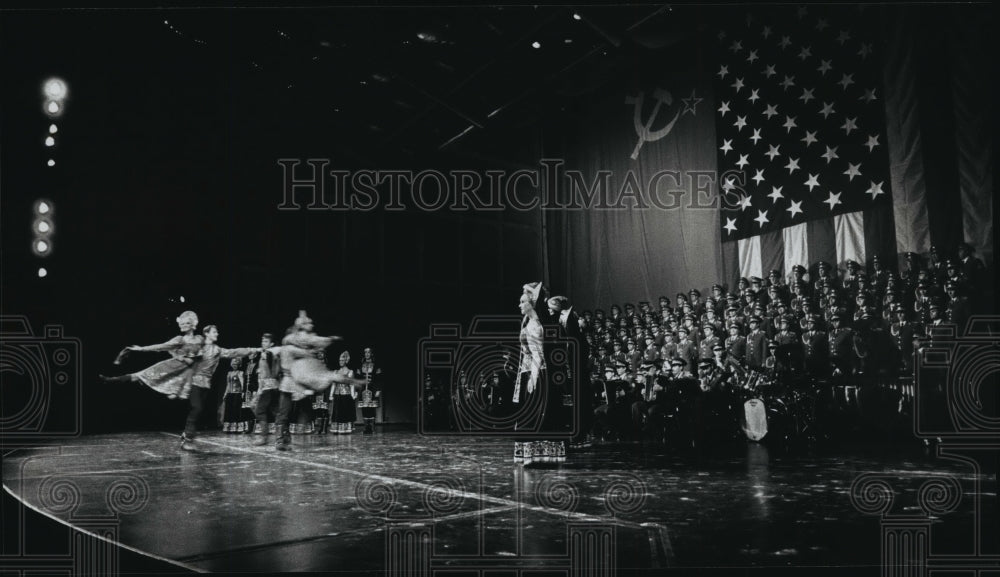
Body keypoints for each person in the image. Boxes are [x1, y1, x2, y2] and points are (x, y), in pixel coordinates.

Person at [274, 311, 367, 450]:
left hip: (299, 384)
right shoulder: (291, 348)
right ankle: (283, 439)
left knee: (301, 412)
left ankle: (291, 438)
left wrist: (327, 340)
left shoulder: (302, 354)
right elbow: (307, 343)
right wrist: (327, 341)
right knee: (286, 413)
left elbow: (313, 343)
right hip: (290, 383)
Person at [181, 325, 261, 450]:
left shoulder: (217, 349)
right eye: (214, 331)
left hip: (206, 384)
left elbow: (233, 352)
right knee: (197, 408)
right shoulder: (199, 346)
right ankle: (188, 439)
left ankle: (187, 433)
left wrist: (250, 349)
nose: (217, 333)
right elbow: (187, 359)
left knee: (198, 410)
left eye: (217, 331)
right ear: (206, 333)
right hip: (194, 381)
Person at [100, 310, 204, 399]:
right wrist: (141, 349)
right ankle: (111, 380)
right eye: (182, 323)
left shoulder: (199, 339)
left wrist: (187, 359)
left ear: (192, 325)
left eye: (187, 323)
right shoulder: (179, 339)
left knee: (177, 396)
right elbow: (160, 346)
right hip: (171, 366)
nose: (184, 325)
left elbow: (201, 355)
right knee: (140, 375)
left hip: (186, 371)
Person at [251, 333, 282, 446]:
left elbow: (274, 372)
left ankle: (264, 437)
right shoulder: (267, 354)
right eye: (262, 341)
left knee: (260, 410)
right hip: (271, 387)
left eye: (266, 341)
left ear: (271, 344)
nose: (263, 343)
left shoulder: (269, 354)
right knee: (276, 412)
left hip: (268, 387)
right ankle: (281, 437)